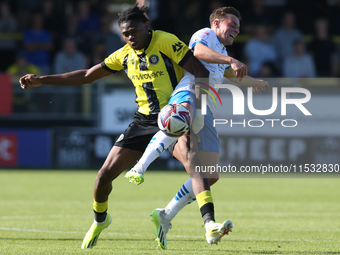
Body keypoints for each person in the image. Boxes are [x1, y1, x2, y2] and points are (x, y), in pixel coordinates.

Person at [19, 4, 226, 250]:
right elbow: (87, 75)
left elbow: (199, 70)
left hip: (174, 116)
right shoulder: (124, 54)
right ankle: (100, 220)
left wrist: (197, 110)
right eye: (125, 34)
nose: (130, 38)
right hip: (143, 121)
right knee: (103, 176)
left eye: (134, 32)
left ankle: (209, 224)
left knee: (196, 165)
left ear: (146, 28)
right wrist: (42, 80)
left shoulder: (165, 41)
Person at [125, 6, 269, 249]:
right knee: (176, 123)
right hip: (190, 90)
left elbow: (228, 74)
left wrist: (255, 82)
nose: (237, 28)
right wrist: (230, 59)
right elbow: (198, 52)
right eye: (231, 23)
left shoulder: (221, 51)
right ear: (216, 24)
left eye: (238, 26)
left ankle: (165, 215)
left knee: (211, 174)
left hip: (208, 107)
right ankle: (139, 167)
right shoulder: (205, 35)